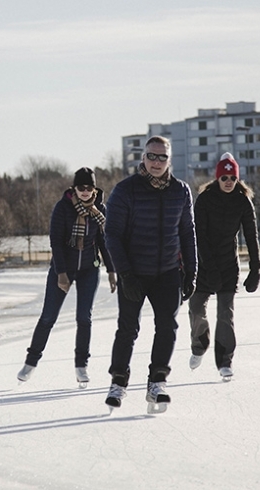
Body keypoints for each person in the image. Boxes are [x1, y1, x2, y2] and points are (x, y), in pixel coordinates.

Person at [103, 135, 197, 411]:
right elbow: (112, 235)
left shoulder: (180, 191)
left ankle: (157, 382)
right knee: (128, 328)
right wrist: (125, 274)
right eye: (151, 156)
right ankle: (118, 383)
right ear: (143, 157)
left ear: (169, 160)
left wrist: (191, 272)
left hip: (167, 272)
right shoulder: (125, 190)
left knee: (167, 326)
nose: (156, 162)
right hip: (133, 272)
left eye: (162, 157)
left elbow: (187, 233)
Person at [17, 167, 116, 386]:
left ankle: (81, 366)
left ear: (94, 189)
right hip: (63, 268)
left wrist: (111, 270)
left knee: (84, 318)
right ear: (74, 188)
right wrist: (61, 274)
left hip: (89, 269)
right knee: (48, 317)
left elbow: (103, 241)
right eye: (81, 187)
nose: (85, 191)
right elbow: (56, 242)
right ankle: (30, 362)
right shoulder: (62, 208)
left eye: (89, 187)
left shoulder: (100, 210)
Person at [187, 153, 260, 381]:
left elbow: (251, 235)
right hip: (204, 262)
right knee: (196, 307)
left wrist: (255, 268)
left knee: (225, 313)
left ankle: (225, 362)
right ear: (217, 178)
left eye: (233, 178)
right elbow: (198, 236)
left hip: (228, 263)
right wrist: (209, 268)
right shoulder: (205, 199)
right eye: (224, 178)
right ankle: (200, 344)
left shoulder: (242, 201)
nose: (229, 182)